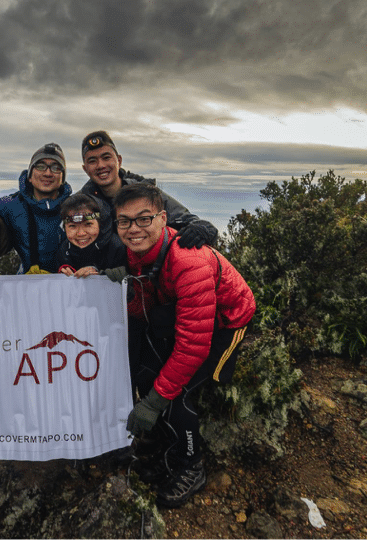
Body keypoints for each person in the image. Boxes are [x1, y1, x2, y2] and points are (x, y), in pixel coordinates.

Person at [113, 181, 255, 508]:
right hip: (181, 315)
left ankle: (191, 466)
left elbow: (193, 347)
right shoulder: (136, 252)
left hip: (225, 320)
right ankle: (167, 449)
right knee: (150, 375)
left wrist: (152, 404)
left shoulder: (188, 261)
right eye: (125, 221)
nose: (134, 228)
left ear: (164, 219)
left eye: (144, 219)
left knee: (177, 394)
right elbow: (146, 302)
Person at [79, 130, 219, 249]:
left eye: (106, 157)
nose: (100, 165)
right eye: (92, 161)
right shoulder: (80, 203)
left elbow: (186, 220)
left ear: (119, 161)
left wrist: (203, 229)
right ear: (85, 169)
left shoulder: (146, 193)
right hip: (106, 277)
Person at [0, 142, 72, 273]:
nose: (48, 173)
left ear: (62, 178)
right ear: (30, 175)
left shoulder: (74, 207)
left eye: (56, 167)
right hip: (25, 285)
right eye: (41, 166)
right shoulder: (9, 206)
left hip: (66, 284)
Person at [55, 193, 126, 277]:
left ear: (100, 224)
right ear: (64, 228)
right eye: (72, 226)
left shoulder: (117, 247)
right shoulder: (63, 251)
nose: (81, 233)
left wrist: (98, 273)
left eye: (88, 224)